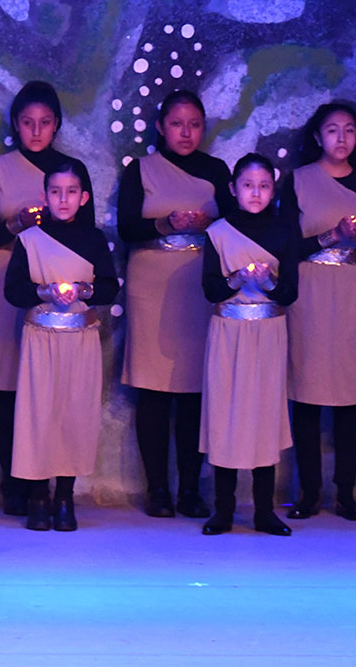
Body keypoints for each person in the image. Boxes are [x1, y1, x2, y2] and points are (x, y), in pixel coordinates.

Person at [0, 81, 95, 517]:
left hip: (61, 290)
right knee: (11, 383)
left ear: (57, 125)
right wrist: (17, 225)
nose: (36, 131)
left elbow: (89, 234)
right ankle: (16, 484)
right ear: (15, 125)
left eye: (45, 123)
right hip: (11, 277)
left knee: (55, 387)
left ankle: (53, 485)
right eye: (27, 123)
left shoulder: (71, 169)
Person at [118, 90, 234, 519]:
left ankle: (189, 488)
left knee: (192, 391)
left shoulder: (217, 171)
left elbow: (238, 222)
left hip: (198, 284)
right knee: (152, 390)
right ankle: (157, 490)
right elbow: (128, 226)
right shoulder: (140, 170)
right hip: (151, 285)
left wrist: (209, 224)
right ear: (161, 126)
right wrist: (168, 223)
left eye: (194, 124)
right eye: (177, 124)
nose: (186, 133)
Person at [4, 165, 119, 532]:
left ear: (84, 197)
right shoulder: (29, 240)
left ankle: (65, 496)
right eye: (56, 191)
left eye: (71, 192)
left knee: (74, 413)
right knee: (39, 415)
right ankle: (38, 496)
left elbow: (108, 288)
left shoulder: (95, 240)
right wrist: (44, 292)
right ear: (45, 197)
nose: (63, 199)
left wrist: (82, 291)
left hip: (80, 340)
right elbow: (13, 290)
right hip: (41, 338)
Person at [279, 102, 356, 521]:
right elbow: (285, 246)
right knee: (309, 394)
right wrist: (331, 235)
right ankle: (309, 493)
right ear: (317, 136)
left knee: (351, 396)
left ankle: (346, 494)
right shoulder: (298, 181)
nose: (341, 138)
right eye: (332, 130)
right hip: (311, 293)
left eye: (349, 130)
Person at [199, 154, 298, 536]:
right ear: (233, 189)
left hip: (269, 333)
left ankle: (263, 511)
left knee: (264, 416)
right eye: (247, 185)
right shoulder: (218, 233)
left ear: (272, 190)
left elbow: (290, 293)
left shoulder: (284, 231)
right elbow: (209, 288)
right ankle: (222, 510)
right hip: (228, 331)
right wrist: (238, 279)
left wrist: (270, 283)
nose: (255, 193)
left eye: (263, 186)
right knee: (226, 415)